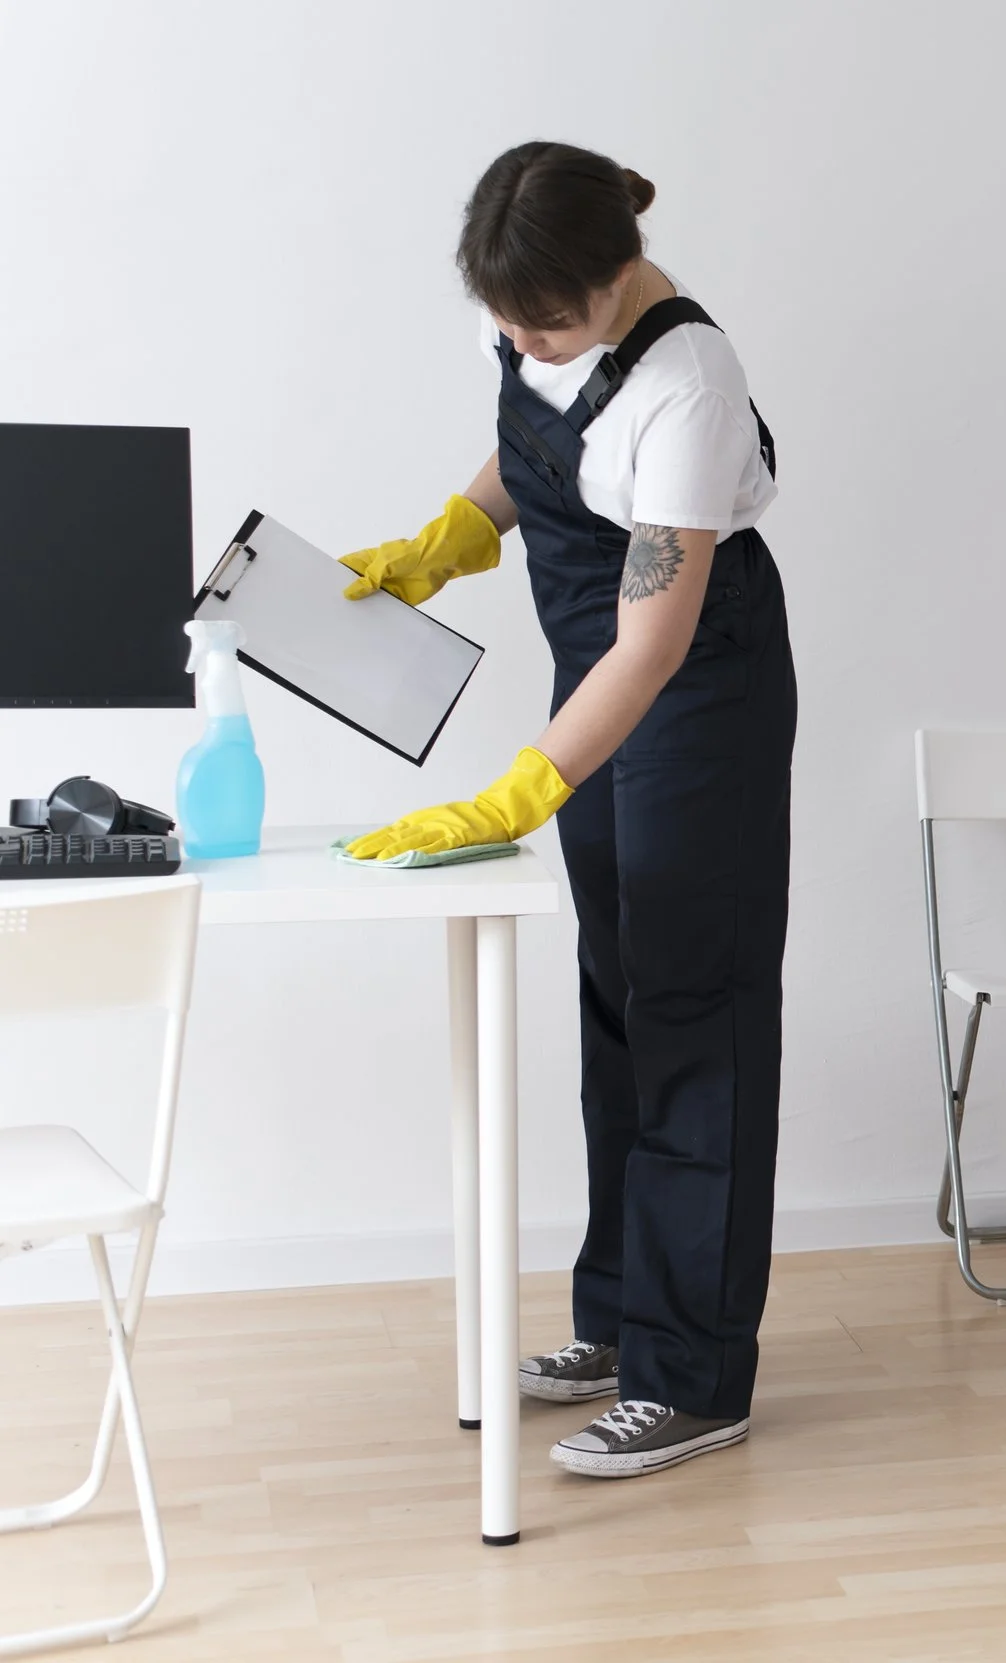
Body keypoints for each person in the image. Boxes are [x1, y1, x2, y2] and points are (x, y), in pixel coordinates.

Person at [342, 141, 797, 1477]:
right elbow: (531, 441)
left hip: (690, 692)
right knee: (619, 1001)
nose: (522, 338)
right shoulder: (541, 315)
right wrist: (445, 539)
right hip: (595, 678)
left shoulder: (690, 386)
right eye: (504, 319)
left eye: (546, 319)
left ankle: (697, 1374)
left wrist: (520, 785)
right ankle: (621, 1320)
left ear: (616, 276)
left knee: (693, 1011)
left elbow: (652, 644)